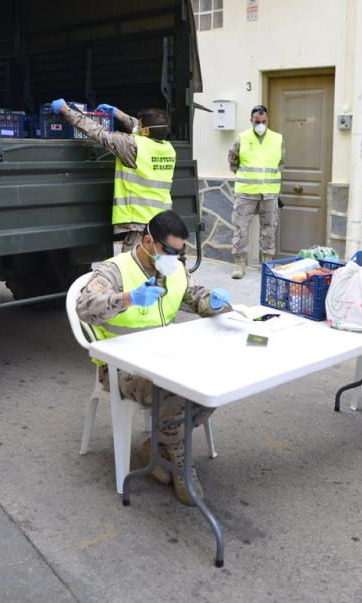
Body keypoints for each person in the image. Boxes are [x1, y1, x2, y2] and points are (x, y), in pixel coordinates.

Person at [75, 209, 231, 505]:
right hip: (120, 368)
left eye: (180, 252)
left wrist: (212, 302)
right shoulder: (114, 270)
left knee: (216, 381)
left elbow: (195, 296)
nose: (176, 257)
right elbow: (84, 307)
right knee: (176, 393)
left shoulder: (175, 270)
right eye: (170, 250)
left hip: (165, 358)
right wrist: (127, 298)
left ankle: (158, 447)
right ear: (148, 241)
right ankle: (180, 463)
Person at [52, 99, 176, 252]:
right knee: (157, 263)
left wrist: (66, 110)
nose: (138, 125)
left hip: (140, 222)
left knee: (134, 268)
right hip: (160, 220)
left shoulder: (132, 147)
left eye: (141, 124)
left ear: (145, 131)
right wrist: (118, 113)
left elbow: (98, 132)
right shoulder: (168, 148)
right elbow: (141, 128)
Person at [229, 104, 285, 279]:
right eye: (257, 121)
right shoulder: (242, 138)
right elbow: (233, 160)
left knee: (269, 229)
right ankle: (239, 264)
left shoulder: (277, 139)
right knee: (241, 229)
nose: (260, 124)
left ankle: (266, 263)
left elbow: (281, 162)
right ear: (251, 121)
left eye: (263, 121)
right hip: (246, 192)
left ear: (268, 120)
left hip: (269, 193)